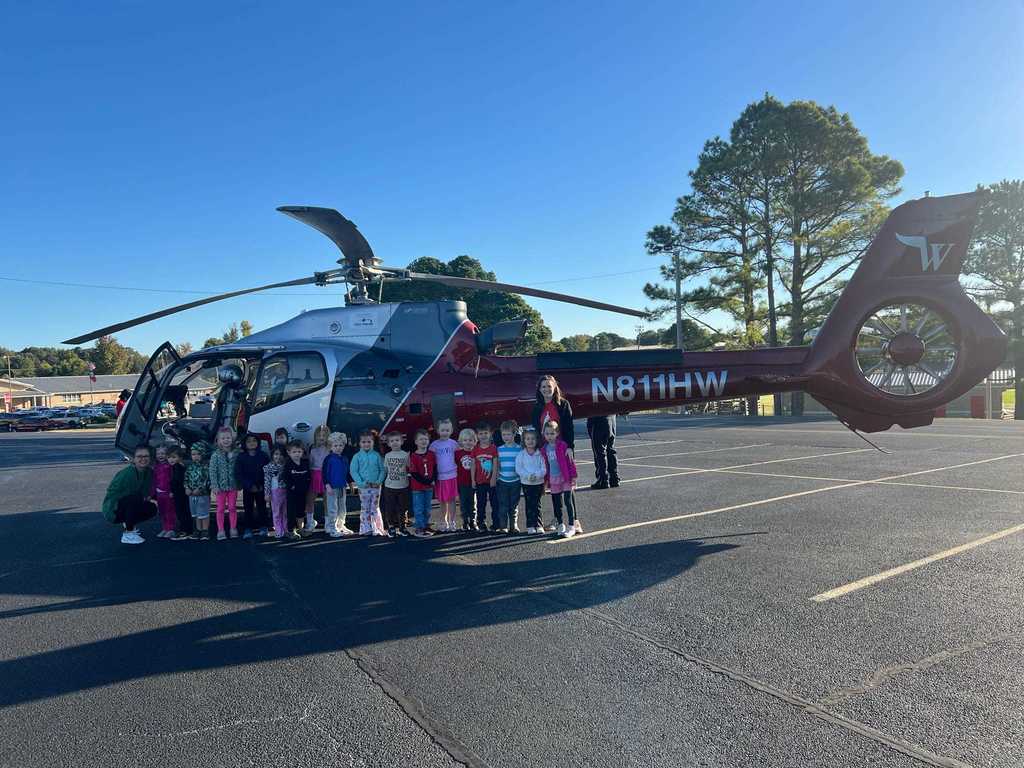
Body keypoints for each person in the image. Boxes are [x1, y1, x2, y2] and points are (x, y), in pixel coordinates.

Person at [102, 444, 157, 544]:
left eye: (146, 456)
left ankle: (128, 522)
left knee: (152, 509)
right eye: (139, 456)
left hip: (128, 504)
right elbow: (112, 493)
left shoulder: (149, 472)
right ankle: (129, 533)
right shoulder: (127, 474)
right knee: (135, 498)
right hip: (112, 510)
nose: (143, 459)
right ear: (133, 459)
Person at [543, 420, 579, 538]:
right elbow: (545, 466)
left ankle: (571, 526)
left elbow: (570, 463)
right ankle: (560, 525)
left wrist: (573, 477)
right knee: (557, 503)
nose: (549, 436)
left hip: (566, 478)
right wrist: (545, 481)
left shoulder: (563, 446)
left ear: (557, 433)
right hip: (553, 480)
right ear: (544, 434)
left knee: (568, 501)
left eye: (552, 433)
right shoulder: (544, 449)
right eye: (547, 434)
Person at [350, 430, 386, 536]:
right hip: (363, 487)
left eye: (369, 442)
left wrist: (379, 482)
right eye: (364, 442)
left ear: (373, 442)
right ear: (360, 443)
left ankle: (377, 528)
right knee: (365, 507)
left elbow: (382, 470)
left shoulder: (377, 455)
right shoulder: (357, 456)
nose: (366, 444)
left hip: (376, 486)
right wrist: (360, 483)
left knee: (374, 507)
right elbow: (354, 471)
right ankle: (365, 528)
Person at [235, 433, 269, 538]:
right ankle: (248, 528)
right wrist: (249, 485)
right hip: (248, 488)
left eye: (254, 441)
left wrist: (262, 485)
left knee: (262, 507)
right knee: (248, 508)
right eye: (248, 441)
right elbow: (238, 473)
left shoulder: (263, 456)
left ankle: (263, 526)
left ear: (258, 443)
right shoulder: (241, 457)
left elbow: (267, 471)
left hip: (261, 487)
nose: (251, 443)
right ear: (244, 444)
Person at [530, 375, 574, 457]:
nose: (546, 389)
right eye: (543, 387)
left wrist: (570, 447)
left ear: (554, 387)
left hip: (562, 448)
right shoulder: (536, 407)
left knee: (564, 470)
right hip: (544, 449)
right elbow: (536, 430)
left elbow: (569, 428)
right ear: (539, 389)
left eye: (549, 386)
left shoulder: (563, 404)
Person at [209, 426, 240, 541]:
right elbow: (212, 471)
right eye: (223, 438)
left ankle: (233, 528)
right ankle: (221, 529)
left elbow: (239, 469)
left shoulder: (236, 453)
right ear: (218, 440)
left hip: (233, 486)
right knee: (220, 508)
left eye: (228, 437)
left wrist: (239, 483)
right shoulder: (215, 455)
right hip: (220, 488)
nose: (226, 440)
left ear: (232, 439)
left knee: (232, 507)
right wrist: (214, 485)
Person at [322, 432, 355, 538]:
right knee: (332, 507)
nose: (338, 448)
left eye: (340, 445)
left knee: (342, 507)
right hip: (332, 487)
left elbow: (347, 472)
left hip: (342, 486)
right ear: (331, 446)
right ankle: (332, 528)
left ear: (344, 446)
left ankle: (341, 525)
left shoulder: (345, 459)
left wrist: (350, 483)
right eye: (335, 445)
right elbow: (324, 472)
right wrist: (327, 485)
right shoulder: (329, 459)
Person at [429, 418, 459, 532]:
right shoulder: (434, 445)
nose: (445, 432)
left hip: (452, 476)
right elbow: (431, 462)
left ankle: (452, 521)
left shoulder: (454, 444)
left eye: (447, 430)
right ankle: (443, 521)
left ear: (451, 430)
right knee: (442, 501)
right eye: (442, 430)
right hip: (440, 478)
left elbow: (459, 458)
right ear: (438, 431)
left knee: (451, 500)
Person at [516, 427, 547, 534]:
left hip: (538, 483)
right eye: (528, 439)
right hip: (526, 483)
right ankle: (530, 526)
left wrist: (537, 476)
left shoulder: (540, 454)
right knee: (529, 504)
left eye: (533, 439)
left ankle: (538, 525)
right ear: (524, 441)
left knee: (537, 504)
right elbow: (519, 468)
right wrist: (528, 476)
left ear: (537, 440)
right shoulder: (521, 454)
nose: (530, 441)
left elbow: (543, 469)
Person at [381, 432, 411, 538]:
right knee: (390, 508)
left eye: (397, 440)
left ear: (402, 442)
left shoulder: (405, 455)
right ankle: (391, 527)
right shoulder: (387, 455)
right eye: (392, 441)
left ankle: (402, 527)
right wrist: (380, 481)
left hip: (403, 486)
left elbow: (410, 468)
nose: (395, 443)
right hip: (390, 486)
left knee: (402, 508)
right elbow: (385, 470)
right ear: (388, 444)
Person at [408, 429, 436, 537]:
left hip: (428, 487)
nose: (423, 441)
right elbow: (414, 473)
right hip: (418, 487)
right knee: (418, 508)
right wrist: (426, 481)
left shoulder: (431, 454)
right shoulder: (413, 456)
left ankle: (425, 525)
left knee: (427, 507)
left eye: (426, 439)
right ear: (416, 442)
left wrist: (432, 479)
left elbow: (434, 468)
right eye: (421, 439)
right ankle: (419, 527)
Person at [280, 439, 311, 539]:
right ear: (289, 452)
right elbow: (285, 478)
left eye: (299, 452)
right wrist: (292, 486)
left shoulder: (305, 463)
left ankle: (301, 529)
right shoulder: (288, 464)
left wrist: (306, 485)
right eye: (294, 452)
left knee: (301, 511)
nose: (297, 454)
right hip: (292, 493)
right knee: (291, 511)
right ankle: (290, 530)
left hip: (302, 492)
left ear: (302, 452)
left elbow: (308, 476)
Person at [495, 420, 522, 534]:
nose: (506, 437)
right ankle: (503, 526)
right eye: (503, 434)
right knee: (503, 505)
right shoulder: (499, 449)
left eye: (508, 434)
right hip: (503, 481)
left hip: (515, 481)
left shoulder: (519, 449)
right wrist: (496, 477)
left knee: (514, 505)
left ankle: (513, 525)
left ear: (514, 434)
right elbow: (498, 465)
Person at [472, 423, 498, 532]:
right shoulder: (475, 449)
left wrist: (493, 478)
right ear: (477, 435)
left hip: (491, 481)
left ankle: (496, 523)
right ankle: (481, 523)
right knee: (481, 503)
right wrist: (473, 480)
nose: (483, 436)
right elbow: (473, 465)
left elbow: (496, 464)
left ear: (490, 434)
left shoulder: (493, 448)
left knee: (494, 502)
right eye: (481, 434)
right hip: (479, 481)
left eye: (486, 433)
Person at [185, 442, 212, 540]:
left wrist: (199, 489)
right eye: (193, 454)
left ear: (203, 454)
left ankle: (205, 531)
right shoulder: (190, 467)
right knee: (196, 513)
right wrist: (187, 487)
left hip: (203, 495)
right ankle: (198, 530)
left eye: (198, 454)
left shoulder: (205, 467)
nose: (195, 456)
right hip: (192, 495)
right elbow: (186, 478)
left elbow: (207, 480)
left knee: (204, 513)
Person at [307, 425, 330, 534]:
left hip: (326, 476)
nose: (321, 437)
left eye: (324, 435)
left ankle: (328, 523)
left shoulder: (330, 449)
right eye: (319, 435)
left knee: (327, 500)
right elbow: (310, 463)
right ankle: (310, 522)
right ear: (315, 436)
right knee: (310, 500)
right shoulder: (312, 448)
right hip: (314, 475)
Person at [586, 415, 619, 489]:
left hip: (598, 418)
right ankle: (614, 478)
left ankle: (603, 479)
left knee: (599, 451)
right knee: (611, 449)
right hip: (611, 417)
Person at [168, 446, 193, 540]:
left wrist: (172, 491)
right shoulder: (176, 467)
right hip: (180, 493)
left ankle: (185, 531)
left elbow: (177, 481)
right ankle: (186, 530)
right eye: (169, 457)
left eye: (174, 457)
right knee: (182, 512)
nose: (171, 459)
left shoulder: (179, 467)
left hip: (181, 494)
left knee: (182, 512)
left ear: (180, 458)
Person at [455, 428, 478, 531]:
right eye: (465, 440)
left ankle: (473, 521)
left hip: (473, 482)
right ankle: (465, 521)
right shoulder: (458, 453)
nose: (468, 442)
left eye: (470, 440)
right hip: (462, 482)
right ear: (461, 442)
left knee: (473, 503)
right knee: (463, 503)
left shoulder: (477, 452)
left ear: (474, 441)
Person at [152, 445, 176, 538]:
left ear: (167, 455)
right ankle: (165, 528)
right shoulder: (156, 466)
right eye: (158, 453)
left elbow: (172, 480)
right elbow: (154, 481)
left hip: (168, 493)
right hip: (159, 493)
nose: (160, 455)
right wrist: (152, 493)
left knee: (170, 511)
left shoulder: (169, 466)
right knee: (162, 512)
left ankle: (171, 529)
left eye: (163, 453)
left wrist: (172, 491)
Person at [264, 446, 287, 539]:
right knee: (276, 512)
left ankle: (286, 529)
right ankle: (278, 530)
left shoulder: (286, 466)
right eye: (276, 454)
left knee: (285, 512)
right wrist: (267, 493)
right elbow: (267, 481)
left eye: (281, 454)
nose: (278, 456)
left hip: (286, 491)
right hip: (275, 492)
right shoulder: (268, 467)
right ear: (272, 455)